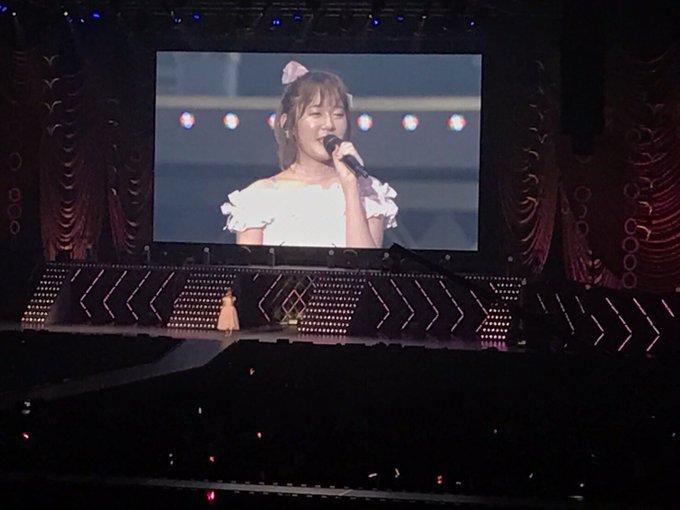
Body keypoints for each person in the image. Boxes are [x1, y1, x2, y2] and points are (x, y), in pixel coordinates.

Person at [220, 61, 398, 248]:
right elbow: (250, 266)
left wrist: (351, 186)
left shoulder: (368, 192)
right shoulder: (259, 197)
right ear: (287, 124)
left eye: (338, 114)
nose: (329, 125)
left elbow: (364, 263)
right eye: (316, 114)